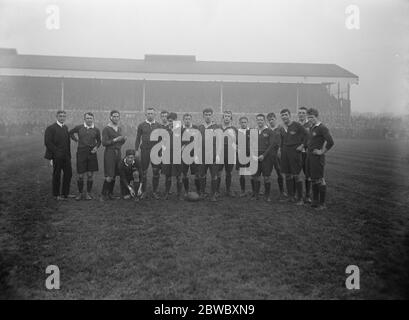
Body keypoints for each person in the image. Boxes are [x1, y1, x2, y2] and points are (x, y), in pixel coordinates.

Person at [305, 108, 334, 209]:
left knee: (320, 179)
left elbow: (331, 142)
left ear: (317, 117)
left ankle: (322, 204)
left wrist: (322, 151)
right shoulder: (312, 127)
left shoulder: (322, 128)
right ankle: (315, 201)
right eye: (308, 117)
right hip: (310, 157)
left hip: (317, 159)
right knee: (313, 179)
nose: (310, 119)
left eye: (312, 117)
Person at [279, 108, 308, 205]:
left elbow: (307, 135)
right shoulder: (281, 127)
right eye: (282, 115)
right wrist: (280, 149)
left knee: (296, 175)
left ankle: (300, 199)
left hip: (294, 153)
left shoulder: (297, 125)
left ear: (289, 115)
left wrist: (302, 145)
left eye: (286, 115)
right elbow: (282, 140)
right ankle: (291, 197)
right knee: (287, 175)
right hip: (285, 153)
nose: (284, 117)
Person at [69, 112, 101, 200]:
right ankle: (80, 193)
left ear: (93, 119)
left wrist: (96, 147)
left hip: (91, 153)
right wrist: (76, 140)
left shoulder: (96, 130)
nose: (89, 120)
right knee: (80, 175)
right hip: (81, 152)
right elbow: (70, 133)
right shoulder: (79, 127)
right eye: (87, 118)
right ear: (84, 119)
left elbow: (99, 141)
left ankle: (88, 193)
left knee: (90, 175)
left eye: (90, 118)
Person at [44, 110, 73, 200]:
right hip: (57, 156)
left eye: (64, 116)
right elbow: (48, 142)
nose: (62, 118)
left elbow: (67, 143)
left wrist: (68, 154)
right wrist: (56, 153)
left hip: (66, 156)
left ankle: (65, 193)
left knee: (68, 174)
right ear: (56, 117)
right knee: (57, 175)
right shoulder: (51, 128)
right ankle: (56, 195)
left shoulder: (65, 127)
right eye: (60, 116)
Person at [135, 107, 163, 199]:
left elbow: (162, 139)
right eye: (148, 113)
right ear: (145, 115)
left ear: (154, 115)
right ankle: (144, 191)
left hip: (156, 151)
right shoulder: (141, 125)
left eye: (152, 113)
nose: (150, 115)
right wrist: (136, 150)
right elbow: (138, 138)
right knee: (143, 172)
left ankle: (155, 191)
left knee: (156, 172)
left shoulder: (159, 125)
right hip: (145, 151)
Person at [100, 110, 127, 201]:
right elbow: (104, 143)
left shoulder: (119, 128)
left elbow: (120, 143)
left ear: (119, 118)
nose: (115, 118)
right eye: (114, 116)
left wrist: (123, 140)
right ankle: (103, 195)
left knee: (115, 174)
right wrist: (115, 140)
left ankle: (110, 194)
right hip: (110, 153)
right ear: (110, 117)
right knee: (109, 175)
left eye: (117, 116)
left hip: (118, 153)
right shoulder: (106, 129)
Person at [251, 114, 278, 202]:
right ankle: (256, 195)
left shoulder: (269, 131)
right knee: (256, 177)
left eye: (261, 120)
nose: (260, 121)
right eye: (258, 120)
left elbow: (271, 145)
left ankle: (267, 196)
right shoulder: (253, 131)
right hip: (255, 157)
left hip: (266, 157)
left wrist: (264, 155)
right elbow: (250, 144)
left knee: (266, 177)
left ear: (264, 121)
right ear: (256, 121)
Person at [197, 107, 221, 201]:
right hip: (202, 155)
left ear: (212, 115)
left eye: (209, 115)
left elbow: (219, 142)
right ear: (203, 116)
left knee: (214, 175)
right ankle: (202, 193)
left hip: (213, 155)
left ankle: (213, 195)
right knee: (202, 175)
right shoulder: (200, 127)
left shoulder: (216, 127)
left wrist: (218, 154)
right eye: (206, 115)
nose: (208, 116)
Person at [162, 112, 183, 200]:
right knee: (168, 175)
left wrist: (181, 150)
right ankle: (166, 193)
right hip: (167, 156)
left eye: (173, 121)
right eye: (169, 121)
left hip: (177, 155)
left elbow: (186, 141)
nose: (171, 122)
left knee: (179, 176)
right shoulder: (165, 129)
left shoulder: (180, 129)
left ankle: (179, 194)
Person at [217, 110, 238, 197]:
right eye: (225, 116)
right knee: (218, 172)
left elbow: (237, 142)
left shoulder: (234, 129)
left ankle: (228, 190)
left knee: (228, 172)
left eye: (228, 116)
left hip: (230, 153)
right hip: (220, 152)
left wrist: (235, 145)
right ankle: (216, 190)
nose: (227, 118)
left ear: (231, 118)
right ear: (223, 118)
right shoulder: (218, 128)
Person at [266, 112, 286, 200]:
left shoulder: (280, 129)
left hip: (278, 154)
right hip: (269, 155)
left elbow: (284, 140)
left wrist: (281, 150)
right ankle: (267, 193)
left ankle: (282, 191)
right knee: (267, 174)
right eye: (269, 120)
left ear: (275, 119)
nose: (271, 121)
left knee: (280, 173)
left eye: (272, 119)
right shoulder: (267, 130)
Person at [181, 113, 201, 195]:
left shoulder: (196, 128)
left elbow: (199, 141)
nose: (187, 120)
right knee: (184, 174)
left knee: (197, 174)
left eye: (189, 119)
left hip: (194, 155)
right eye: (186, 119)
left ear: (191, 119)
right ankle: (186, 191)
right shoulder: (180, 130)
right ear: (183, 120)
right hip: (183, 156)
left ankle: (198, 191)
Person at [298, 106, 313, 203]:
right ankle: (298, 195)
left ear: (306, 114)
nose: (301, 114)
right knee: (297, 175)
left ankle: (308, 195)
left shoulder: (311, 125)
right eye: (300, 113)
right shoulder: (295, 125)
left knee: (308, 175)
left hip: (307, 154)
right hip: (297, 154)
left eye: (303, 113)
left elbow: (312, 139)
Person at [236, 116, 251, 197]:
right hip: (241, 155)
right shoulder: (237, 132)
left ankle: (254, 191)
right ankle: (243, 190)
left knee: (253, 173)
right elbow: (233, 142)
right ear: (239, 123)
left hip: (250, 155)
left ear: (247, 123)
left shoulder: (251, 131)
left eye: (245, 122)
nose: (243, 124)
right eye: (242, 122)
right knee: (242, 173)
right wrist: (235, 147)